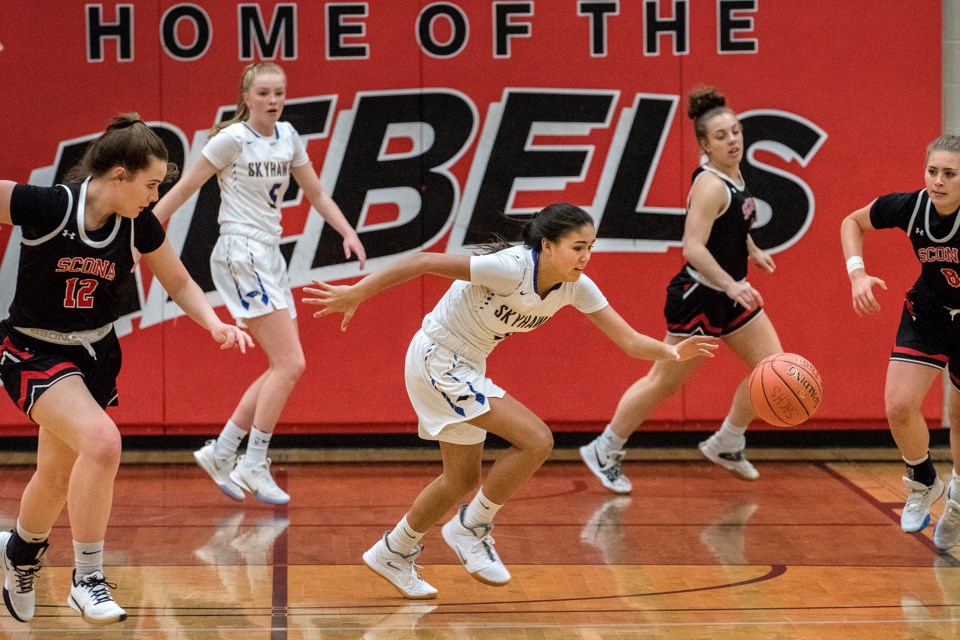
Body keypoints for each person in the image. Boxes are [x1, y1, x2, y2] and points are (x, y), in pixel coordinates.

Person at [302, 202, 717, 598]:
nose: (586, 256)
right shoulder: (508, 268)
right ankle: (472, 526)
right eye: (578, 247)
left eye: (591, 247)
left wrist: (672, 352)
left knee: (461, 480)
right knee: (537, 439)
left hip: (465, 365)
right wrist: (356, 292)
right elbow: (424, 261)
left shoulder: (574, 287)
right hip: (438, 358)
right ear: (548, 246)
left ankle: (392, 551)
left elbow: (628, 340)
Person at [0, 113, 253, 626]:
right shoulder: (48, 206)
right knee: (103, 442)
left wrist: (213, 323)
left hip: (93, 357)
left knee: (53, 478)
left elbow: (179, 283)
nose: (155, 194)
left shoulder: (139, 223)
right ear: (119, 174)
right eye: (152, 184)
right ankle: (87, 578)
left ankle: (21, 557)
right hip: (34, 351)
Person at [152, 62, 366, 506]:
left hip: (269, 254)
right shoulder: (232, 140)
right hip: (241, 251)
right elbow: (185, 188)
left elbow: (317, 194)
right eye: (265, 93)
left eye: (279, 93)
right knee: (291, 364)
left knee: (280, 366)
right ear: (246, 97)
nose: (273, 101)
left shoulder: (287, 137)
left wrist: (347, 230)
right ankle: (253, 460)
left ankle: (223, 450)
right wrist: (144, 232)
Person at [579, 86, 784, 494]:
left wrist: (752, 249)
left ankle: (727, 441)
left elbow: (731, 226)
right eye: (722, 135)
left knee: (772, 370)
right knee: (663, 382)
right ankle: (604, 448)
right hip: (702, 296)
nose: (733, 139)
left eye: (736, 131)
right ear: (705, 145)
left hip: (730, 292)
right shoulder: (710, 185)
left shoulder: (735, 173)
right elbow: (693, 246)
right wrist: (731, 283)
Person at [840, 135, 960, 544]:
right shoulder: (913, 207)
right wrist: (857, 273)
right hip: (928, 313)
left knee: (959, 416)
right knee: (898, 405)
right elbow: (851, 222)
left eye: (949, 173)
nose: (938, 181)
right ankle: (924, 481)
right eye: (932, 171)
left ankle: (958, 504)